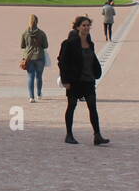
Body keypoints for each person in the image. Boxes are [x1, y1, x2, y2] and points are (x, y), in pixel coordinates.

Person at [57, 16, 108, 145]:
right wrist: (65, 80)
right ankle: (69, 135)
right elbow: (62, 62)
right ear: (78, 27)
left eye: (88, 25)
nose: (86, 28)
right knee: (72, 106)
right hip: (74, 81)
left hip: (88, 80)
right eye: (83, 25)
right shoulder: (69, 43)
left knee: (92, 107)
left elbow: (92, 59)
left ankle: (97, 135)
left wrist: (97, 71)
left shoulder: (90, 44)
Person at [20, 14, 49, 102]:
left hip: (29, 58)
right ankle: (39, 94)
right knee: (39, 76)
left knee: (30, 77)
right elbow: (45, 45)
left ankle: (31, 97)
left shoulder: (25, 33)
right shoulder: (42, 33)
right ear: (37, 22)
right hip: (39, 56)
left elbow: (22, 46)